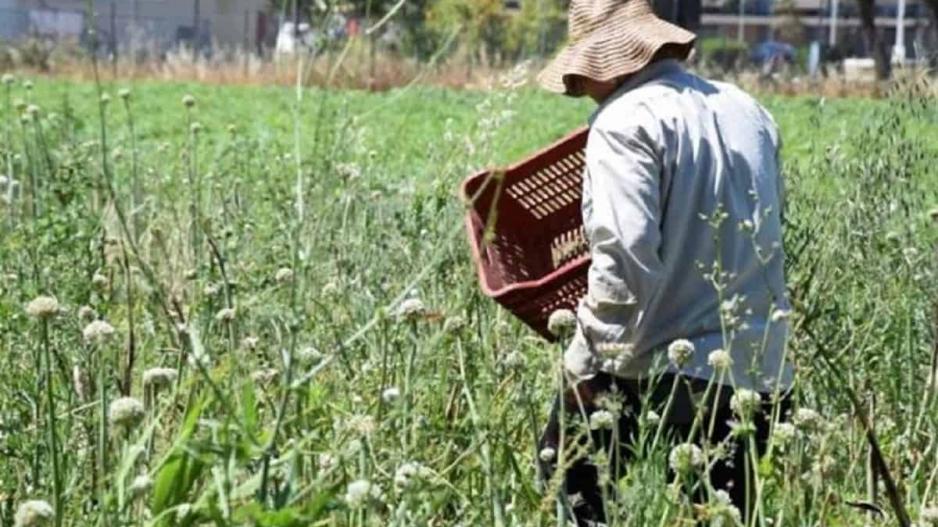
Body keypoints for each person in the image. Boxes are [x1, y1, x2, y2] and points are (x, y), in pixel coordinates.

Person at [534, 0, 793, 525]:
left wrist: (585, 360)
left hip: (669, 369)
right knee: (723, 515)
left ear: (600, 64)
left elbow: (625, 258)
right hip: (763, 368)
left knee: (567, 477)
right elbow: (766, 230)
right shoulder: (748, 110)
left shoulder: (623, 122)